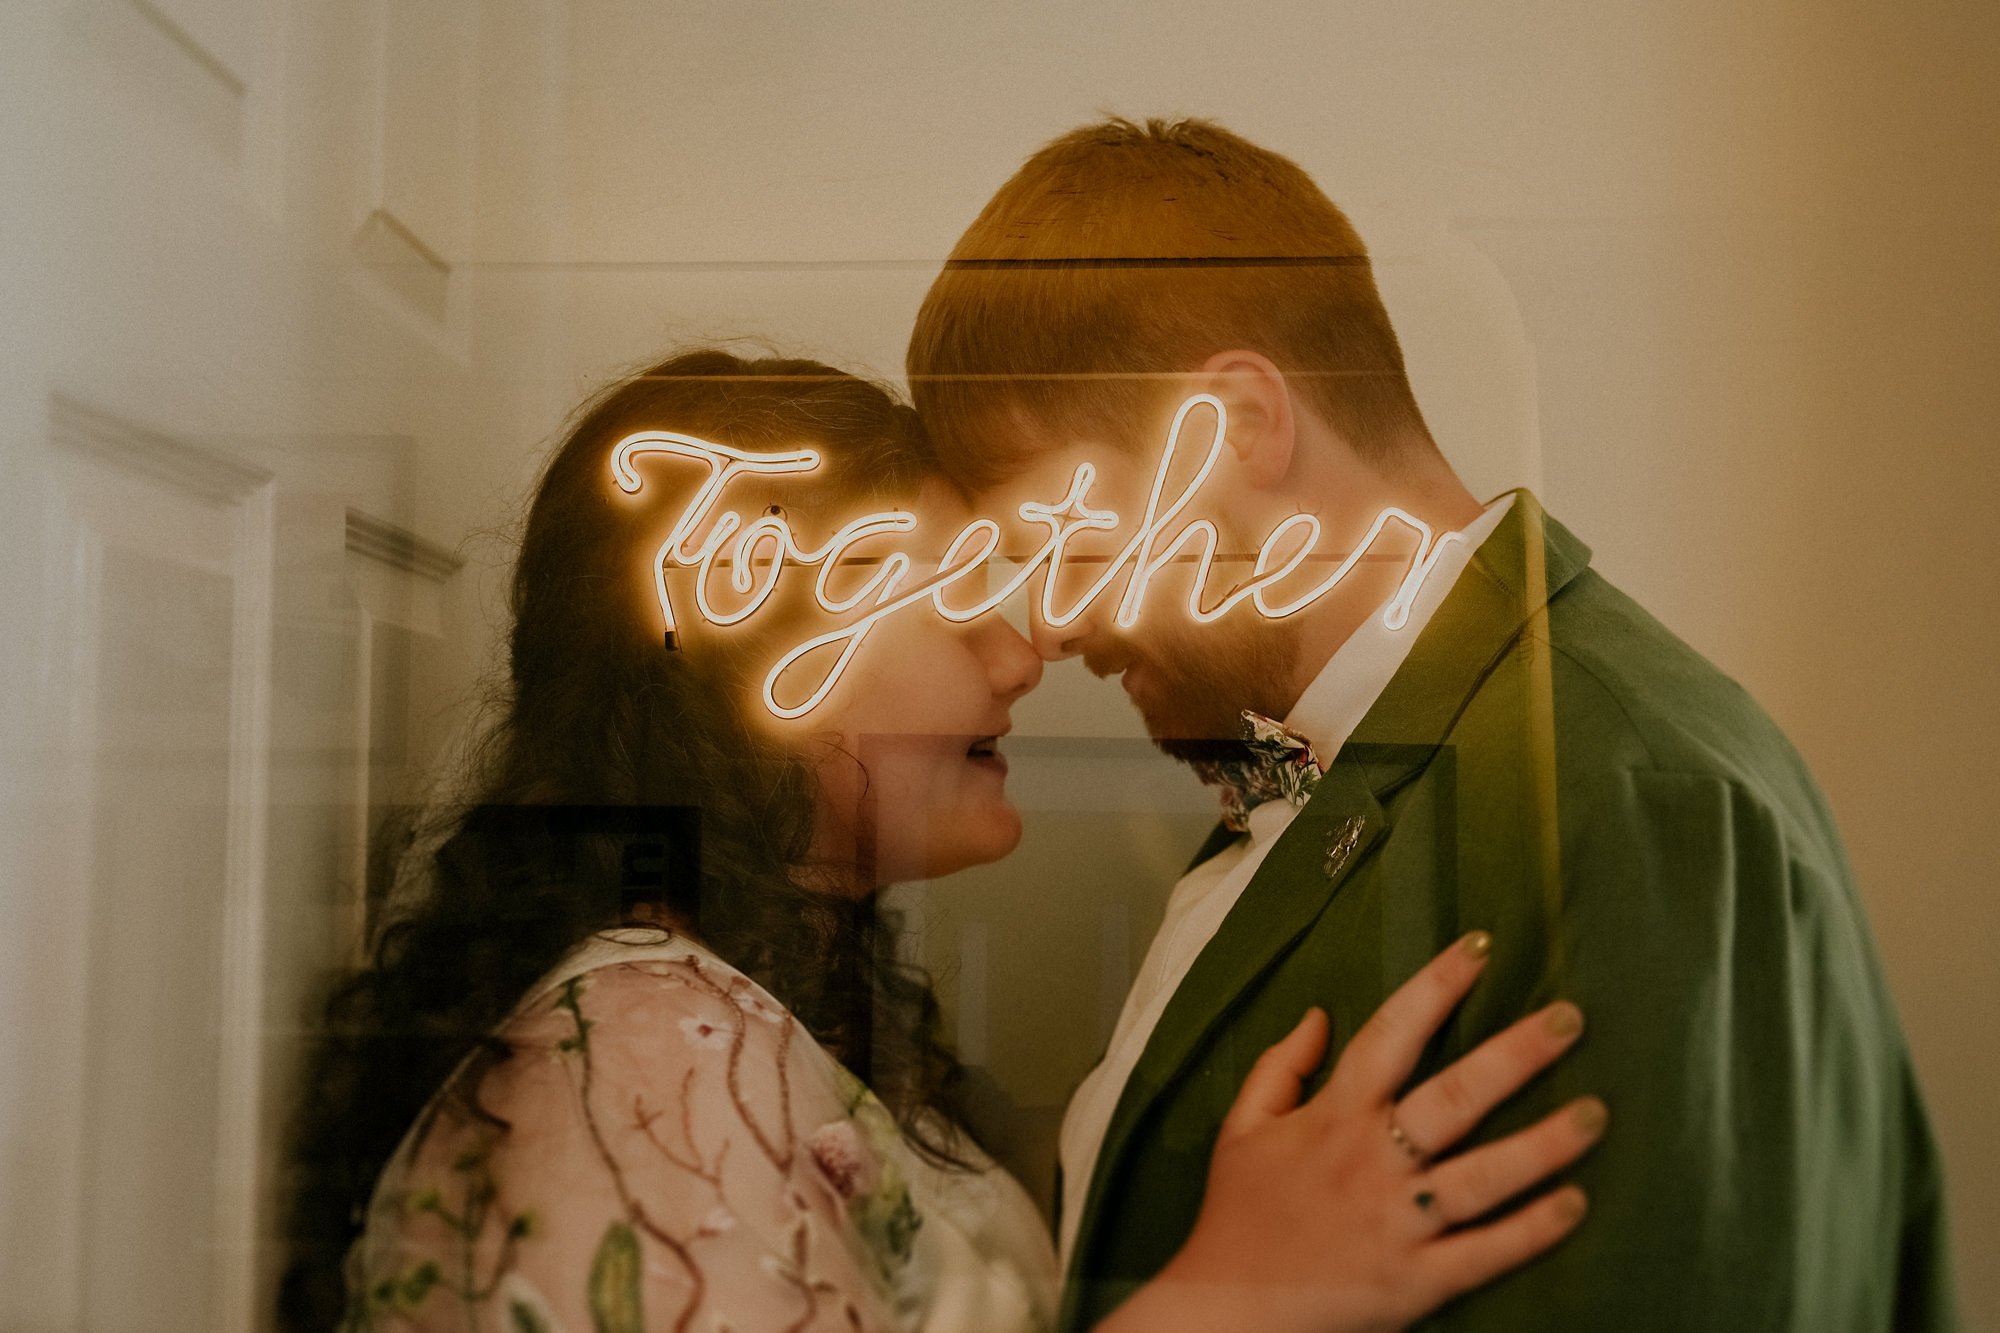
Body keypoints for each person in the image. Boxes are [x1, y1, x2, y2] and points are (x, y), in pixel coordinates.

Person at [280, 350, 1605, 1333]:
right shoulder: (637, 1066)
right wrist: (1236, 1294)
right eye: (955, 594)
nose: (1024, 654)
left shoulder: (748, 1019)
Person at [907, 118, 1957, 1331]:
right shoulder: (1335, 770)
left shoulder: (1629, 795)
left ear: (1239, 423)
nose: (1053, 627)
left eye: (1059, 535)